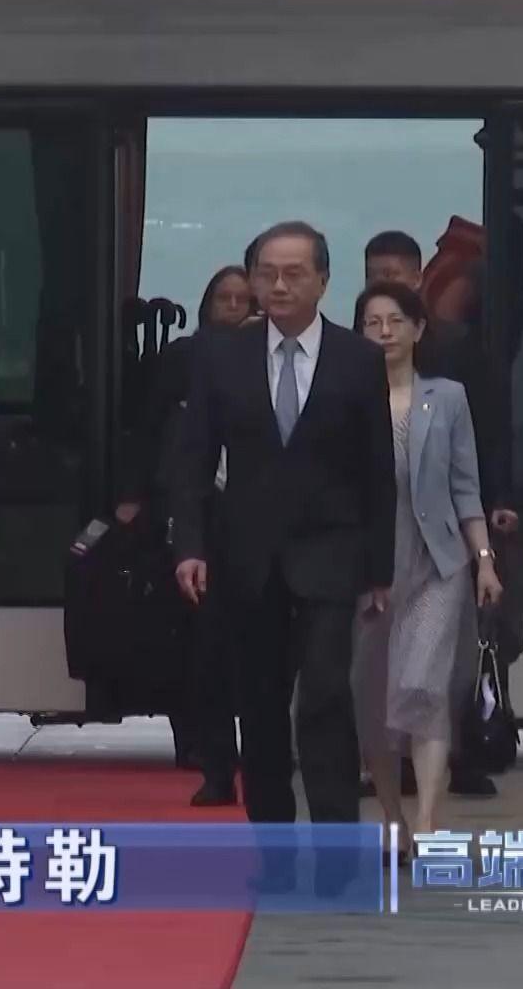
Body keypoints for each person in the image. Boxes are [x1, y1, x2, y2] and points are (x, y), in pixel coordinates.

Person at [171, 221, 395, 829]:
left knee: (325, 695)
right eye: (267, 273)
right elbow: (192, 460)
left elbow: (377, 471)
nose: (278, 285)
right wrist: (189, 546)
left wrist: (379, 569)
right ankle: (271, 841)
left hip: (331, 553)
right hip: (248, 557)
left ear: (323, 281)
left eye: (294, 274)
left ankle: (335, 842)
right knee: (261, 706)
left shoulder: (358, 359)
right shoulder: (221, 356)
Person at [363, 229, 520, 798]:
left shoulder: (455, 362)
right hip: (372, 555)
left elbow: (480, 444)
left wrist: (487, 546)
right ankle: (389, 784)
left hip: (439, 549)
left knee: (429, 674)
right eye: (375, 277)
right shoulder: (349, 375)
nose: (386, 331)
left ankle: (442, 780)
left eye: (395, 276)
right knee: (378, 681)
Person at [350, 282, 502, 859]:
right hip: (371, 567)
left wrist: (483, 561)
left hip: (438, 562)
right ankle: (393, 816)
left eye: (395, 320)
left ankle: (430, 819)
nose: (384, 332)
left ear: (418, 329)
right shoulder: (347, 396)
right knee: (373, 699)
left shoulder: (448, 397)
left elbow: (466, 486)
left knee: (423, 686)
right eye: (372, 322)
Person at [117, 264, 251, 807]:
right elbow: (152, 430)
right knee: (199, 641)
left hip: (258, 518)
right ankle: (204, 750)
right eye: (225, 298)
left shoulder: (277, 363)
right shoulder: (185, 359)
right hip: (198, 513)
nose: (234, 308)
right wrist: (136, 493)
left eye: (244, 299)